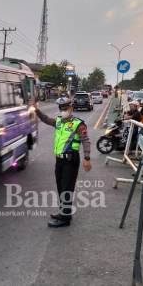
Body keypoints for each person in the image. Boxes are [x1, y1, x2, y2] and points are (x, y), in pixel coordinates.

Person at [35, 97, 92, 228]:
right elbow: (45, 119)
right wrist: (36, 110)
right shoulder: (59, 121)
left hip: (70, 161)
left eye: (65, 108)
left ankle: (65, 219)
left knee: (67, 188)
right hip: (59, 160)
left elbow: (86, 140)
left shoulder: (78, 124)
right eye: (61, 108)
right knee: (61, 187)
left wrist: (87, 158)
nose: (63, 110)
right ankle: (64, 213)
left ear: (71, 108)